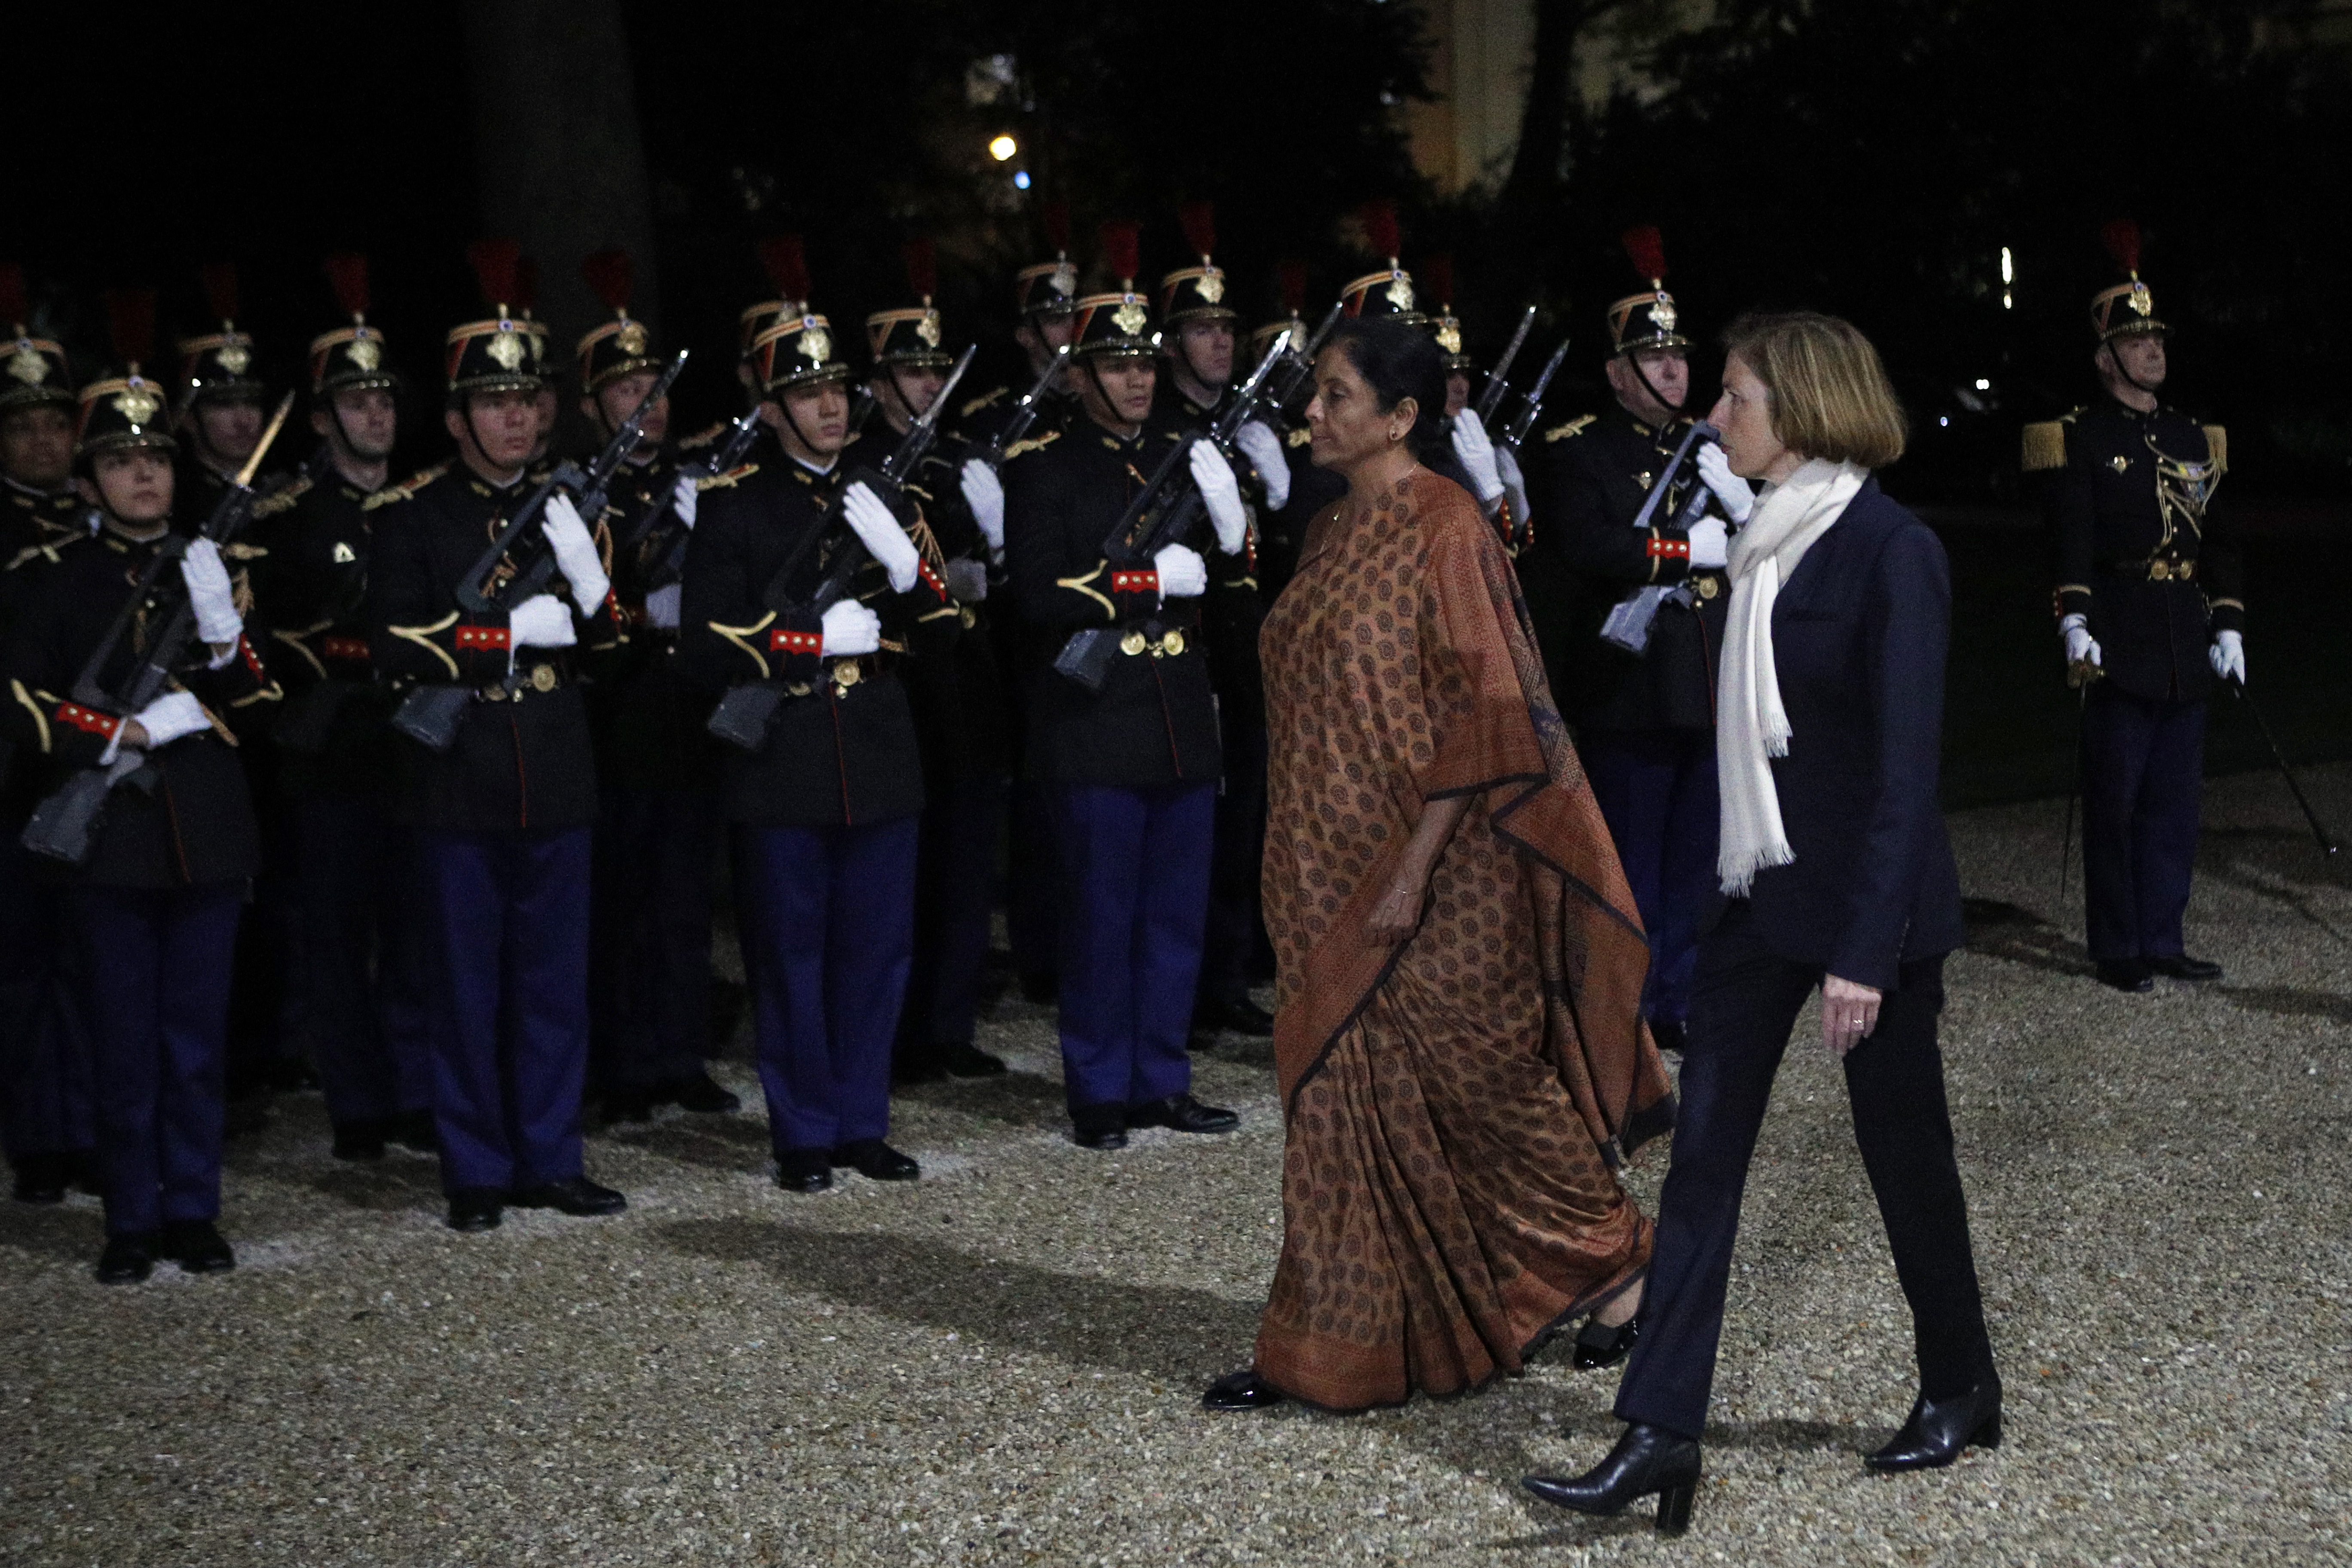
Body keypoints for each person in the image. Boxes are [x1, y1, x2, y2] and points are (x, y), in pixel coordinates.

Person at [1525, 312, 1997, 1535]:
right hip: (1754, 900)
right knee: (1704, 1165)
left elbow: (1904, 777)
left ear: (1802, 408)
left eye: (1734, 397)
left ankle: (1961, 1385)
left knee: (1905, 1162)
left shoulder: (1889, 553)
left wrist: (1864, 954)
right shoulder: (1761, 544)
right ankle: (1658, 1432)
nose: (1713, 416)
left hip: (1862, 920)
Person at [1203, 317, 1669, 1415]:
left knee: (1489, 1091)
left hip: (1443, 879)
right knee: (1336, 1107)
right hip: (1319, 869)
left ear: (1403, 417)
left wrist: (1412, 869)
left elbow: (1494, 711)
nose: (1310, 412)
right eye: (1314, 393)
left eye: (1333, 395)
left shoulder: (1452, 527)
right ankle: (1337, 1346)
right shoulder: (1324, 531)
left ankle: (1625, 1261)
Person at [1, 341, 281, 1283]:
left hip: (203, 833)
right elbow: (24, 705)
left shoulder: (210, 563)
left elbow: (254, 694)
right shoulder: (49, 576)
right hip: (109, 837)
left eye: (156, 460)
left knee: (195, 1039)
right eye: (122, 463)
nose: (143, 476)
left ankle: (193, 1208)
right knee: (120, 1038)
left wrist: (221, 622)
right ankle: (131, 1217)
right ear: (92, 479)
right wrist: (122, 733)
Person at [368, 244, 629, 1234]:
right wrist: (497, 636)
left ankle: (552, 1156)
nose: (516, 416)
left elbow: (610, 640)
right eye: (494, 401)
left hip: (556, 764)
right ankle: (477, 1164)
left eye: (527, 399)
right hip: (459, 772)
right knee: (467, 985)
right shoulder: (414, 515)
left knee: (555, 984)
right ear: (455, 417)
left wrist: (590, 583)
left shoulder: (568, 507)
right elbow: (391, 645)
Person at [678, 291, 955, 1193]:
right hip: (785, 749)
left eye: (837, 388)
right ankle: (802, 1129)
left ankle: (861, 1122)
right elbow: (702, 641)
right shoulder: (735, 505)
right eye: (806, 393)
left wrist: (908, 570)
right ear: (768, 408)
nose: (831, 406)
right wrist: (798, 638)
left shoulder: (890, 492)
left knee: (877, 951)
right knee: (790, 951)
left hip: (877, 742)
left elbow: (946, 626)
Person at [1001, 223, 1244, 1151]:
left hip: (1177, 714)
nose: (1138, 379)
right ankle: (1100, 1086)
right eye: (1116, 363)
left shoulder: (1183, 452)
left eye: (1146, 362)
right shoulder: (1046, 468)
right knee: (1102, 918)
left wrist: (1229, 524)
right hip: (1095, 721)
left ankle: (1162, 1077)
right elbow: (1034, 592)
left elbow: (1220, 583)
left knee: (1173, 914)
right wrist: (1141, 583)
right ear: (1077, 375)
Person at [1517, 226, 1743, 1056]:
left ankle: (1671, 998)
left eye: (1680, 355)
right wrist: (1683, 549)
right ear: (1620, 373)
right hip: (1631, 686)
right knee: (1628, 862)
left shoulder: (1712, 451)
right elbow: (1588, 543)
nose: (1675, 370)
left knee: (1693, 861)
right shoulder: (1583, 449)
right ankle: (1616, 1005)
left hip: (1702, 681)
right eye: (1655, 358)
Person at [2024, 220, 2242, 993]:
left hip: (2184, 633)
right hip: (2120, 629)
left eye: (2158, 339)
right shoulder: (2081, 438)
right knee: (2115, 802)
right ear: (2106, 356)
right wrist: (2074, 620)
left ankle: (2164, 936)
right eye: (2138, 340)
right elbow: (2071, 540)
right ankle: (2117, 944)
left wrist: (2229, 619)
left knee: (2175, 806)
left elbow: (2219, 537)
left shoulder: (2191, 434)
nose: (2155, 350)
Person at [248, 253, 434, 1161]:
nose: (376, 414)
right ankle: (358, 1104)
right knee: (335, 933)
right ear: (322, 418)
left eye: (386, 401)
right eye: (357, 403)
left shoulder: (421, 509)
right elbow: (273, 640)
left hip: (412, 748)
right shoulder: (291, 519)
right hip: (333, 753)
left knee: (417, 929)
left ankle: (414, 1092)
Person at [573, 249, 741, 1123]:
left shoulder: (690, 481)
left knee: (683, 898)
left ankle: (679, 1053)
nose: (650, 405)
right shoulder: (584, 494)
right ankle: (617, 1064)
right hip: (622, 708)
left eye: (657, 389)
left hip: (686, 706)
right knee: (621, 896)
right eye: (628, 392)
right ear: (596, 405)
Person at [870, 242, 1014, 1084]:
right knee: (903, 868)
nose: (929, 384)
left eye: (935, 370)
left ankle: (948, 1022)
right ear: (880, 380)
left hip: (963, 676)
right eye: (912, 371)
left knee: (963, 858)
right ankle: (895, 1032)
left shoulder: (962, 461)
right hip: (901, 677)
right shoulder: (864, 463)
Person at [1155, 202, 1286, 1040]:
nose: (1219, 343)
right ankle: (1192, 987)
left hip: (1248, 641)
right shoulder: (1161, 428)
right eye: (1201, 330)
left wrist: (1285, 479)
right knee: (1191, 818)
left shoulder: (1245, 423)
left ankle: (1229, 974)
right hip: (1183, 642)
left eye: (1225, 328)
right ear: (1172, 345)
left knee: (1248, 813)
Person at [0, 271, 97, 1204]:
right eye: (24, 425)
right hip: (16, 772)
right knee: (25, 964)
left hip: (101, 766)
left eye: (55, 424)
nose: (43, 438)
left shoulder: (97, 521)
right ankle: (39, 1134)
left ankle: (95, 1125)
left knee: (94, 958)